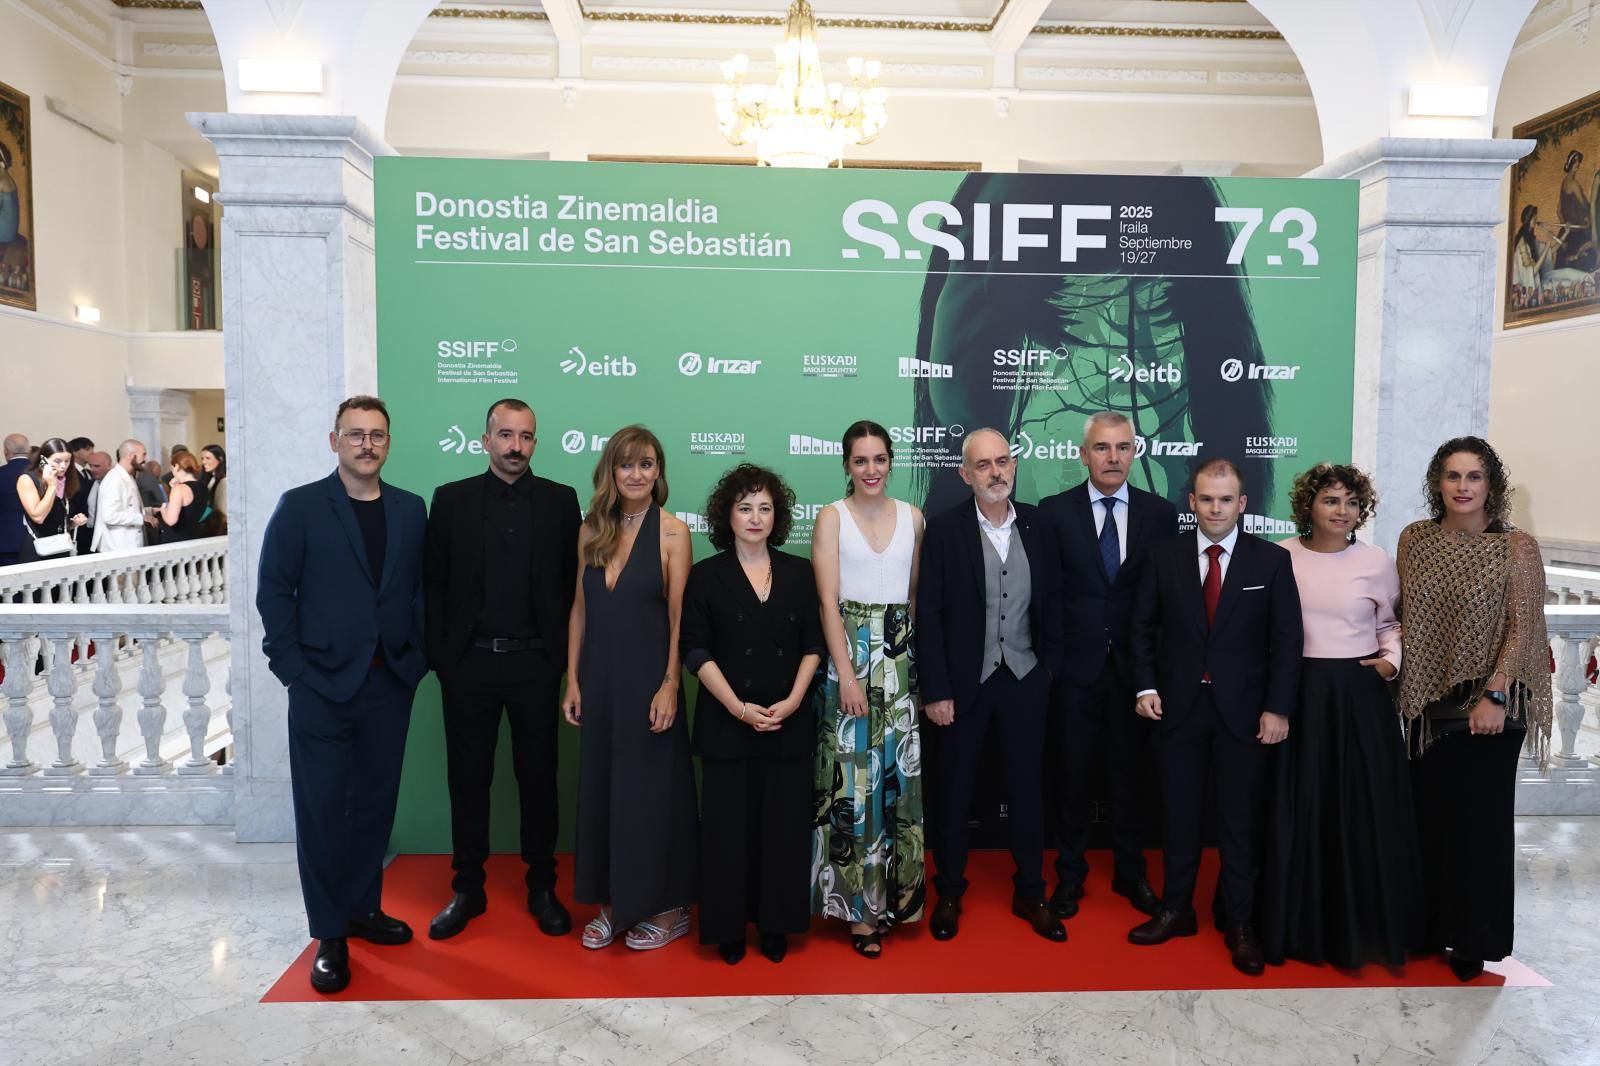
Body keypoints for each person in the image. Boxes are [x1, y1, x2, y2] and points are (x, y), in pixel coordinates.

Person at [256, 395, 428, 995]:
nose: (366, 444)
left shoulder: (410, 509)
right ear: (335, 442)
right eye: (355, 434)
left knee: (374, 806)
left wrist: (417, 659)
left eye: (376, 435)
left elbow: (421, 591)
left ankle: (362, 909)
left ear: (388, 443)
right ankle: (329, 933)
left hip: (389, 682)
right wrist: (293, 671)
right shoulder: (301, 506)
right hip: (321, 686)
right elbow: (274, 591)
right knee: (323, 810)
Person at [1128, 457, 1303, 976]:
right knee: (1179, 817)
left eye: (1225, 499)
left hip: (1245, 715)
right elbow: (1141, 627)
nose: (1215, 508)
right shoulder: (1164, 556)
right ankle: (1176, 909)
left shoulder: (1270, 561)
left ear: (1242, 504)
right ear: (1192, 502)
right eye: (1206, 498)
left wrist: (1277, 708)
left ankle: (1242, 924)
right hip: (1177, 709)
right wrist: (1144, 686)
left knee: (1238, 823)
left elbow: (1286, 641)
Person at [1395, 436, 1552, 982]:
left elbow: (1524, 627)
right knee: (1428, 817)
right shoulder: (1415, 539)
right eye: (1453, 476)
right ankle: (1425, 927)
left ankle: (1472, 938)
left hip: (1491, 704)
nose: (1463, 487)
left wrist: (1495, 694)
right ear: (1437, 483)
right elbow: (1406, 612)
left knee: (1478, 827)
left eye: (1474, 476)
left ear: (1492, 485)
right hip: (1428, 703)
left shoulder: (1517, 547)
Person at [424, 399, 580, 941]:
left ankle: (543, 887)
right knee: (468, 780)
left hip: (537, 664)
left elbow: (573, 586)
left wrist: (564, 662)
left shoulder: (561, 501)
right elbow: (433, 582)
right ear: (486, 440)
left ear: (535, 442)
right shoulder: (451, 499)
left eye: (526, 436)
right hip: (469, 664)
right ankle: (468, 889)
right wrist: (444, 658)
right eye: (506, 435)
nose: (516, 446)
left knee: (539, 780)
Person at [1258, 463, 1422, 969]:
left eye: (1351, 503)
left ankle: (1361, 923)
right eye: (1331, 500)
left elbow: (1390, 623)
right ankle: (1295, 923)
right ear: (1308, 506)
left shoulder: (1377, 562)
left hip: (1358, 697)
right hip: (1297, 694)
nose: (1342, 511)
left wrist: (1390, 662)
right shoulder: (1279, 556)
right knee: (1299, 805)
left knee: (1358, 807)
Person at [918, 428, 1067, 943]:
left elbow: (1056, 600)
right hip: (964, 684)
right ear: (966, 474)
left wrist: (1048, 669)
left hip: (1026, 679)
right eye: (983, 465)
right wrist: (936, 690)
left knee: (1027, 789)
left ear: (1014, 465)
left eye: (1002, 461)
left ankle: (1032, 891)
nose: (995, 472)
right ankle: (949, 892)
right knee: (955, 790)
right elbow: (929, 615)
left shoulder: (1041, 525)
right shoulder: (943, 530)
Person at [681, 463, 824, 965]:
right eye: (745, 508)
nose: (756, 517)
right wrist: (739, 708)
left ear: (777, 516)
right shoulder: (706, 576)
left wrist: (795, 699)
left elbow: (814, 645)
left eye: (765, 508)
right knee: (727, 832)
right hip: (728, 723)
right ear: (728, 515)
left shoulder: (799, 572)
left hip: (788, 720)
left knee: (783, 829)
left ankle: (776, 924)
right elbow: (695, 651)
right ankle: (727, 927)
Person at [1038, 411, 1176, 921]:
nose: (1112, 457)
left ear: (1134, 453)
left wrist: (1153, 670)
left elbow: (1164, 600)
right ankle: (1070, 875)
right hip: (1074, 672)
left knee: (1130, 778)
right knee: (1071, 777)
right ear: (1083, 455)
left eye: (1122, 447)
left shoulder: (1159, 514)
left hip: (1135, 675)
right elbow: (1046, 595)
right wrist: (1052, 664)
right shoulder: (1054, 512)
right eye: (1102, 448)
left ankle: (1130, 872)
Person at [563, 425, 697, 951]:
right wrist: (573, 679)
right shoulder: (590, 530)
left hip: (649, 683)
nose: (636, 474)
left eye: (646, 464)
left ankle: (669, 908)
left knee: (652, 795)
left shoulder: (673, 533)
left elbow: (680, 619)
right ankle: (614, 903)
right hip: (600, 681)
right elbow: (579, 610)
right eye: (626, 464)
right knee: (604, 790)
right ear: (611, 471)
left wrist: (670, 685)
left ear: (658, 471)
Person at [810, 419, 926, 958]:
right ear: (847, 465)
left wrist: (906, 667)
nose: (871, 469)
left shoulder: (914, 518)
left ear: (891, 461)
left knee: (898, 783)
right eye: (861, 460)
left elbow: (914, 598)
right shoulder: (832, 517)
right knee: (854, 788)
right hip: (850, 661)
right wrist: (848, 674)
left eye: (880, 459)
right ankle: (859, 912)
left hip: (900, 662)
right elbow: (827, 602)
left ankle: (897, 900)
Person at [14, 437, 86, 564]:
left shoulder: (63, 480)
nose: (63, 466)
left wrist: (72, 523)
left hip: (60, 548)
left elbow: (54, 521)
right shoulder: (27, 479)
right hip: (38, 550)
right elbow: (38, 517)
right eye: (57, 461)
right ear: (43, 460)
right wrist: (52, 486)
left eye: (67, 461)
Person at [91, 440, 149, 555]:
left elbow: (129, 508)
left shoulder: (127, 476)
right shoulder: (114, 479)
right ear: (131, 455)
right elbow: (110, 516)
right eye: (143, 454)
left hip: (127, 546)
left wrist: (150, 511)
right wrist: (141, 518)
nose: (145, 459)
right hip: (117, 548)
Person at [157, 452, 209, 543]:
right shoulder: (203, 487)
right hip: (194, 537)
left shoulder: (179, 489)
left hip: (177, 540)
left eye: (172, 469)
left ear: (177, 467)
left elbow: (171, 520)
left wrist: (163, 510)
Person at [0, 433, 31, 566]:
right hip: (39, 541)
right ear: (29, 450)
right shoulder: (42, 473)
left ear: (6, 451)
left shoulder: (2, 474)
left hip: (6, 540)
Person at [68, 436, 95, 556]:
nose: (92, 453)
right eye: (87, 449)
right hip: (76, 526)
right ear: (74, 452)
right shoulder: (69, 474)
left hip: (90, 525)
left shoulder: (89, 473)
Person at [83, 451, 112, 550]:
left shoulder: (115, 485)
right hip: (88, 534)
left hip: (108, 535)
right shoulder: (89, 484)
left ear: (109, 465)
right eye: (90, 466)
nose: (92, 469)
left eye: (97, 466)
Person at [199, 444, 227, 534]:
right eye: (202, 459)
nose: (204, 462)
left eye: (208, 458)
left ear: (220, 459)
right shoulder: (210, 479)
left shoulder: (224, 481)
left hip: (218, 528)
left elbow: (221, 511)